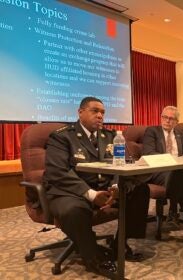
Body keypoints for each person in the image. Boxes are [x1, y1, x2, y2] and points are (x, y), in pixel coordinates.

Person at [43, 97, 150, 278]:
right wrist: (91, 194)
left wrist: (116, 187)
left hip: (106, 191)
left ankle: (120, 245)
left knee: (141, 190)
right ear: (80, 112)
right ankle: (92, 258)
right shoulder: (62, 136)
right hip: (70, 192)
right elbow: (58, 173)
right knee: (73, 210)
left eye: (102, 112)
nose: (100, 115)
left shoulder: (111, 137)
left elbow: (121, 165)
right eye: (95, 111)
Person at [142, 106, 183, 252]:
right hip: (156, 171)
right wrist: (172, 160)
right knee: (179, 177)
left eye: (171, 118)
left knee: (178, 174)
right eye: (164, 117)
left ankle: (180, 216)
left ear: (177, 121)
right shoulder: (152, 131)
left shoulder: (180, 134)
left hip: (177, 173)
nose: (167, 120)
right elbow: (148, 153)